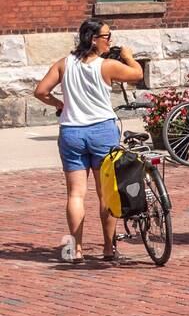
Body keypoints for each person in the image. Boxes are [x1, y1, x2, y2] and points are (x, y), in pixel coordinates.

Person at [34, 19, 144, 263]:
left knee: (75, 194)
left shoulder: (63, 64)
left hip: (72, 132)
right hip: (102, 131)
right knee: (106, 194)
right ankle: (108, 248)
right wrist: (128, 56)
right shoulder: (107, 66)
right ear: (93, 39)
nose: (110, 40)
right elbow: (137, 74)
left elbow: (41, 91)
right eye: (107, 36)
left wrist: (60, 104)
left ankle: (76, 250)